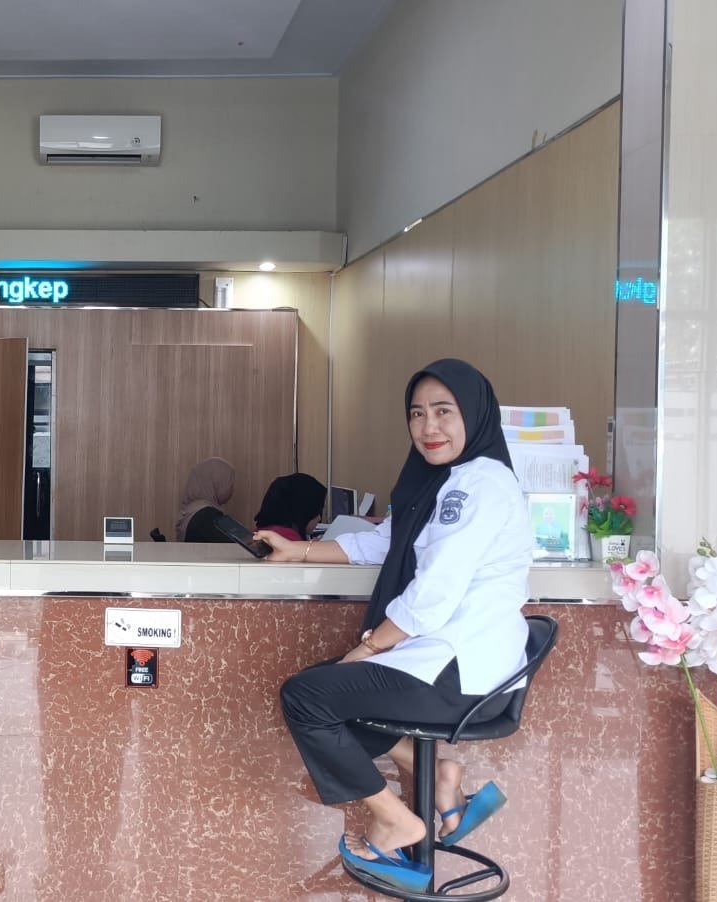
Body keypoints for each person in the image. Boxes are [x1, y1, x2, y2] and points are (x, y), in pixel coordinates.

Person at [253, 358, 530, 894]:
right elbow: (387, 541)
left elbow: (434, 592)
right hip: (454, 663)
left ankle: (398, 819)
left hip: (459, 669)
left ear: (475, 415)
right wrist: (298, 550)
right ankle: (441, 778)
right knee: (329, 698)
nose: (429, 427)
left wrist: (371, 646)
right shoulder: (444, 482)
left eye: (444, 412)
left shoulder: (478, 484)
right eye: (417, 413)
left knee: (308, 698)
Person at [253, 472, 329, 542]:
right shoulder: (287, 539)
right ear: (303, 512)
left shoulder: (266, 531)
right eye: (316, 512)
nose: (319, 518)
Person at [175, 456, 235, 542]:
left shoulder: (193, 509)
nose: (232, 490)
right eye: (229, 484)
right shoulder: (207, 515)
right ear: (216, 483)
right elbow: (233, 546)